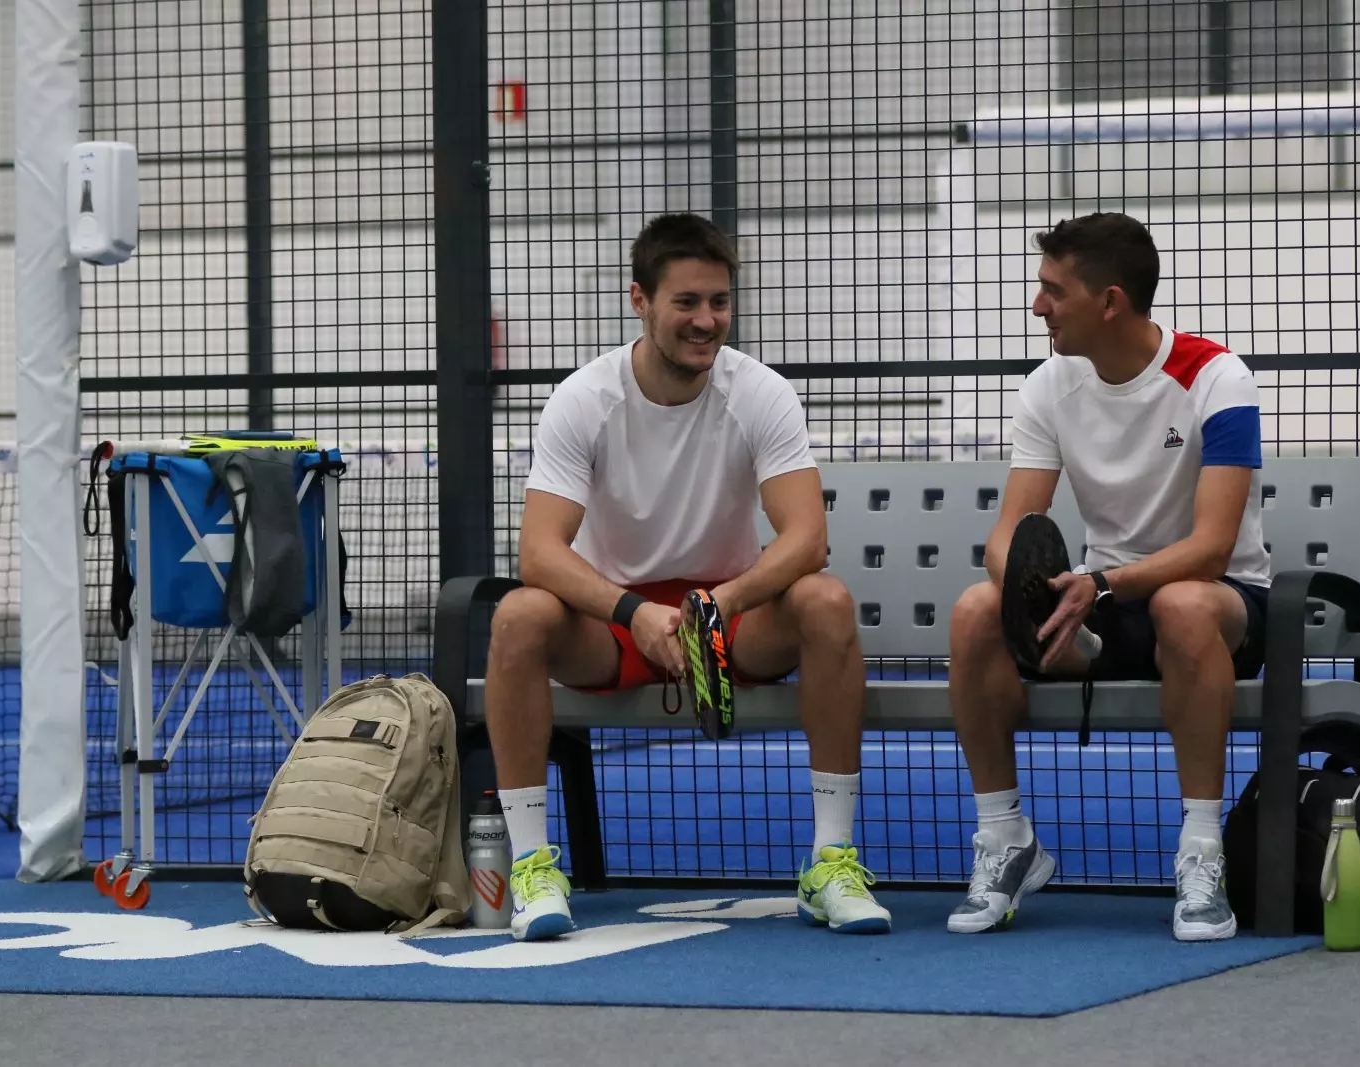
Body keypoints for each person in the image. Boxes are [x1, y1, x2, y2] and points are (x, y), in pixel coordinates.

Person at [483, 212, 893, 941]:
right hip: (616, 625)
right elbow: (539, 553)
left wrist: (721, 604)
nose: (707, 321)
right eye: (687, 303)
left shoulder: (760, 392)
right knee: (518, 615)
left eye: (719, 302)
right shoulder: (584, 398)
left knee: (826, 603)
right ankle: (533, 867)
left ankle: (830, 861)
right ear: (639, 301)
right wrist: (635, 610)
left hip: (730, 622)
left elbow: (807, 539)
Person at [945, 211, 1270, 942]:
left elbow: (1214, 548)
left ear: (1111, 301)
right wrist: (1029, 596)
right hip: (1103, 600)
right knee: (972, 610)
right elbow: (1010, 534)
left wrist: (1102, 585)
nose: (1038, 307)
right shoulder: (1047, 387)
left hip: (1221, 605)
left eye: (1052, 292)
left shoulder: (1218, 376)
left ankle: (1201, 853)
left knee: (1184, 604)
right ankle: (1006, 839)